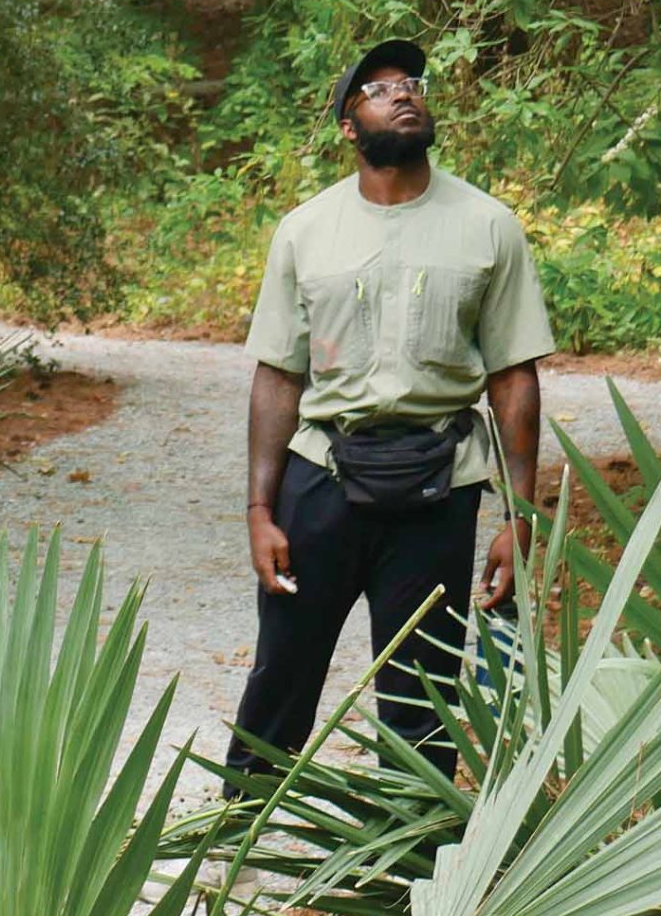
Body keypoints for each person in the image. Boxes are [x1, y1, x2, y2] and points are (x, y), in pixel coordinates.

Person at [230, 39, 552, 785]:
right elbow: (278, 375)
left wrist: (520, 515)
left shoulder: (488, 226)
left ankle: (409, 869)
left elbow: (513, 376)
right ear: (349, 125)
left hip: (438, 482)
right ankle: (236, 839)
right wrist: (258, 508)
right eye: (378, 89)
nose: (403, 94)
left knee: (424, 688)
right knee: (283, 671)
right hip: (322, 477)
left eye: (412, 82)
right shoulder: (305, 230)